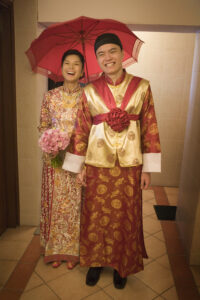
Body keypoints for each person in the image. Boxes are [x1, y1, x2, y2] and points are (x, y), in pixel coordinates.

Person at [62, 33, 161, 288]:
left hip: (130, 165)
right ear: (97, 59)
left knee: (126, 217)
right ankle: (95, 262)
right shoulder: (91, 90)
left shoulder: (142, 86)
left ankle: (122, 266)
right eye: (101, 54)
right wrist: (79, 166)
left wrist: (147, 170)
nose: (108, 57)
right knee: (96, 215)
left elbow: (150, 127)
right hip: (97, 164)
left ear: (122, 54)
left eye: (112, 51)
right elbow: (81, 128)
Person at [38, 49, 84, 269]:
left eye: (76, 64)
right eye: (67, 63)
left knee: (75, 205)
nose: (71, 67)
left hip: (77, 160)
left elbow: (91, 130)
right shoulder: (50, 96)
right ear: (61, 67)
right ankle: (55, 250)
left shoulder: (88, 97)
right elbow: (43, 126)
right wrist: (50, 144)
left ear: (82, 70)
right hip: (54, 161)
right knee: (56, 204)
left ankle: (73, 251)